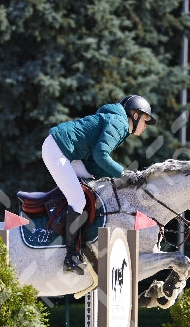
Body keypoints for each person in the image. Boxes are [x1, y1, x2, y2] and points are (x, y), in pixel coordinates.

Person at [42, 94, 155, 274]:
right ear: (135, 115)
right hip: (57, 150)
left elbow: (94, 163)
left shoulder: (118, 123)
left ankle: (80, 242)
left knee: (91, 186)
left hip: (66, 152)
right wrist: (124, 174)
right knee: (78, 200)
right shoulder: (119, 123)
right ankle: (70, 257)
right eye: (145, 120)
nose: (145, 126)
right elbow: (101, 155)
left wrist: (119, 178)